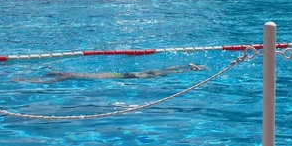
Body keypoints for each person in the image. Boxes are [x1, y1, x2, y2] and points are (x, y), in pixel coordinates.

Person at [13, 63, 206, 83]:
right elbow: (51, 78)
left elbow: (50, 81)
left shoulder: (70, 75)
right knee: (155, 72)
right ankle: (188, 67)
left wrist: (25, 80)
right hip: (119, 75)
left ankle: (187, 68)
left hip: (121, 76)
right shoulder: (71, 74)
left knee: (155, 73)